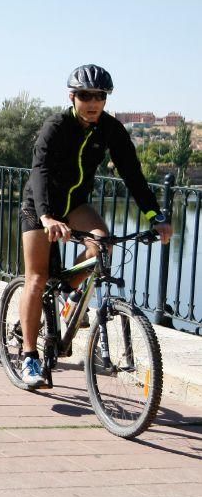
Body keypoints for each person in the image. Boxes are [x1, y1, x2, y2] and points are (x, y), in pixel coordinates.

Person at [17, 64, 173, 388]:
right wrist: (47, 216)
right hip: (39, 205)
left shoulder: (111, 130)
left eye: (99, 96)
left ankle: (70, 295)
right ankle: (29, 357)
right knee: (37, 276)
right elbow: (40, 172)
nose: (92, 102)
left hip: (74, 205)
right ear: (72, 96)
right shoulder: (55, 127)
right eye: (86, 95)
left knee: (102, 241)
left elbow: (132, 174)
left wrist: (154, 216)